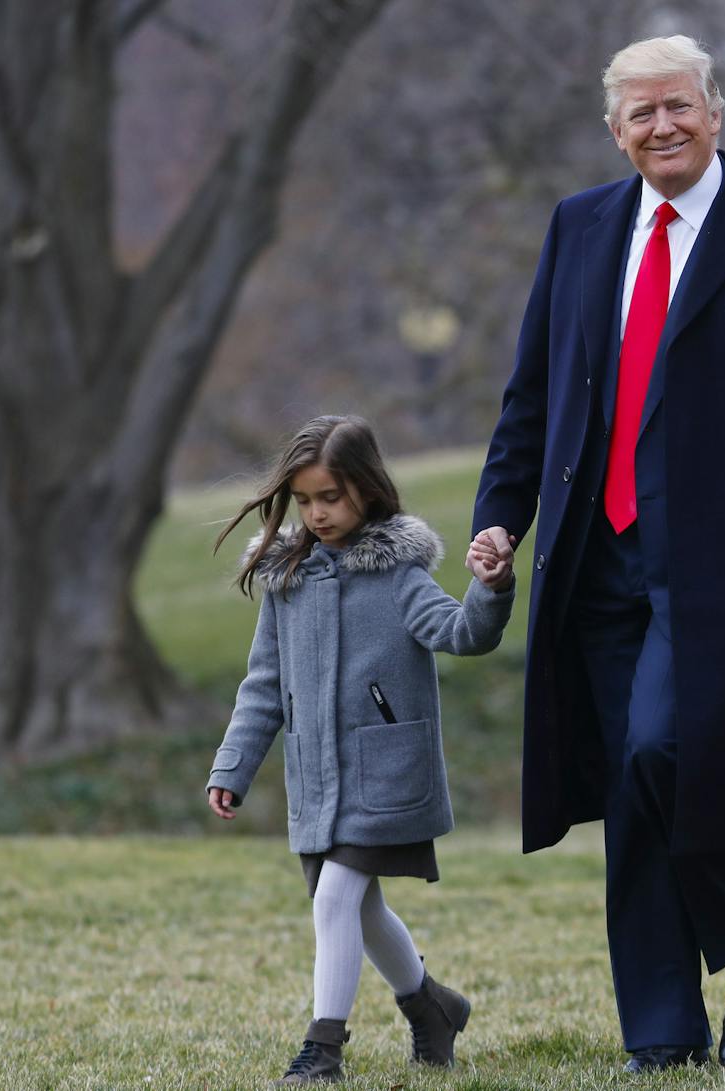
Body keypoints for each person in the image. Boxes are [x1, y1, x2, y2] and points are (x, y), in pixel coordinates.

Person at [470, 34, 725, 1071]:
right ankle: (660, 1029)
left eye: (677, 106)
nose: (661, 127)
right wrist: (500, 514)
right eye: (639, 113)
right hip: (589, 553)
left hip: (724, 560)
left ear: (715, 111)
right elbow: (533, 394)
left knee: (658, 750)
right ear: (614, 130)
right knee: (625, 778)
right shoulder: (579, 226)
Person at [204, 415, 515, 1085]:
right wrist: (233, 766)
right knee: (358, 907)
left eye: (332, 497)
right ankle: (432, 1008)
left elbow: (463, 633)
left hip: (385, 775)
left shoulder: (398, 574)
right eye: (307, 498)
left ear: (368, 491)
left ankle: (323, 1049)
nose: (317, 512)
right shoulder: (285, 580)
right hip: (316, 780)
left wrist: (490, 589)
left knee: (337, 900)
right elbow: (263, 686)